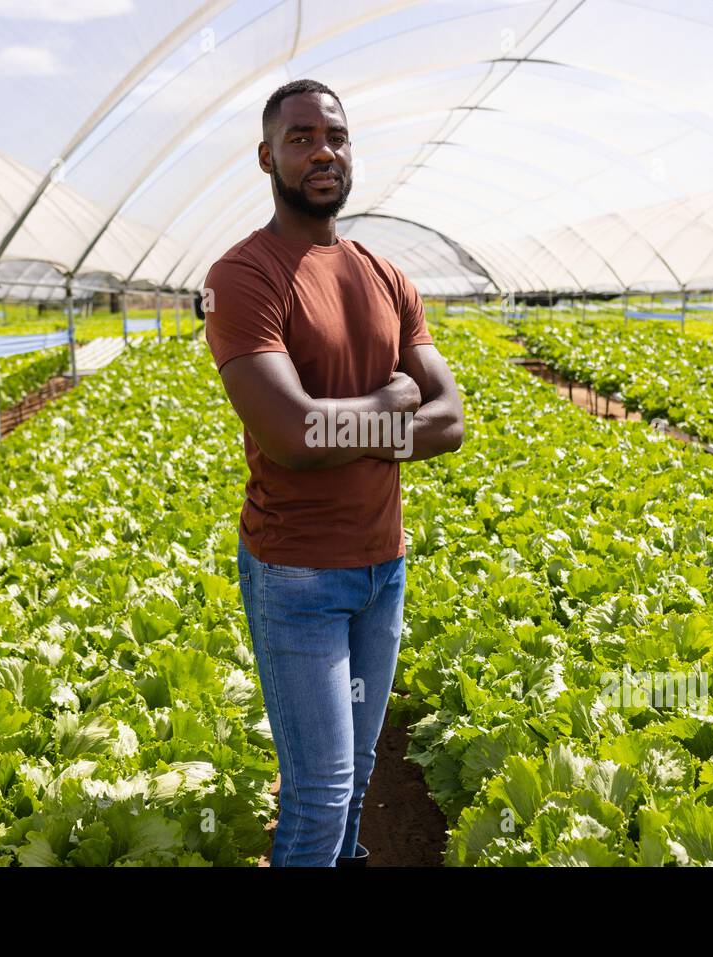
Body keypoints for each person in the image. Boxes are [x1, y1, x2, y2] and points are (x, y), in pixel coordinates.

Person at [201, 78, 464, 867]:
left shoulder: (387, 277)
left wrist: (344, 418)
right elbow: (285, 432)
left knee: (357, 779)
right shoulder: (243, 276)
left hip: (384, 568)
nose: (323, 151)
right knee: (316, 795)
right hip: (297, 574)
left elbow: (449, 420)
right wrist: (389, 403)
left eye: (336, 137)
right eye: (301, 137)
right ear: (266, 156)